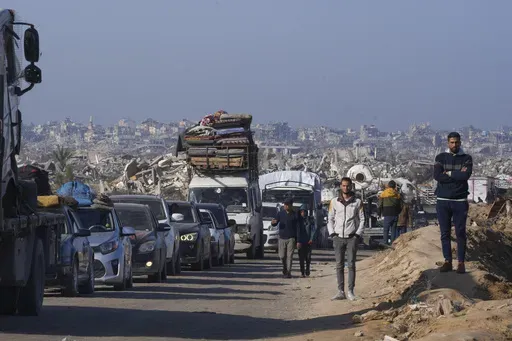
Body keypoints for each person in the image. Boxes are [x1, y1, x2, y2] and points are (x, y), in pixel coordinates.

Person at [434, 132, 472, 274]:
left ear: (460, 142)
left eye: (456, 142)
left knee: (460, 232)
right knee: (445, 232)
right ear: (447, 143)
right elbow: (437, 176)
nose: (454, 145)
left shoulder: (467, 158)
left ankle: (461, 263)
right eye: (451, 142)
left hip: (460, 200)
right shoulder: (440, 157)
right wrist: (456, 175)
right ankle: (447, 261)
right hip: (443, 200)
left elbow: (465, 175)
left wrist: (448, 173)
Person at [327, 177, 365, 301]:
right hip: (338, 237)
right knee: (339, 265)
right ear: (340, 186)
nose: (345, 188)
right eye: (343, 185)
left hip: (351, 238)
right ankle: (340, 291)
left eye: (348, 186)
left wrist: (357, 235)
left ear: (351, 186)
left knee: (351, 265)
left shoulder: (357, 202)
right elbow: (330, 219)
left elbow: (362, 219)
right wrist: (332, 233)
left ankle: (350, 291)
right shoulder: (334, 201)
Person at [271, 197, 299, 278]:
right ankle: (284, 268)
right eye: (284, 204)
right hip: (282, 237)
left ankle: (289, 272)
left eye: (287, 204)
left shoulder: (295, 215)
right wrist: (273, 223)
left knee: (290, 256)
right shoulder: (280, 214)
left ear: (291, 205)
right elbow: (275, 222)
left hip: (291, 238)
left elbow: (298, 228)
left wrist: (298, 240)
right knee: (282, 256)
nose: (285, 206)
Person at [378, 180, 403, 244]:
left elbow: (380, 205)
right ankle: (393, 243)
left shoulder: (383, 193)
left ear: (388, 186)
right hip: (395, 214)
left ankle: (385, 243)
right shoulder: (397, 194)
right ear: (395, 186)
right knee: (393, 230)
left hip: (387, 214)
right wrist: (398, 212)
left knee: (386, 230)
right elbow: (401, 206)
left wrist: (379, 213)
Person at [297, 204, 316, 277]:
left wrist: (311, 239)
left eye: (304, 211)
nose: (303, 213)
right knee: (301, 258)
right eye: (301, 212)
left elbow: (313, 230)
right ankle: (302, 272)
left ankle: (307, 269)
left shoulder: (310, 220)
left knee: (308, 257)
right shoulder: (298, 221)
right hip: (300, 242)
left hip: (308, 242)